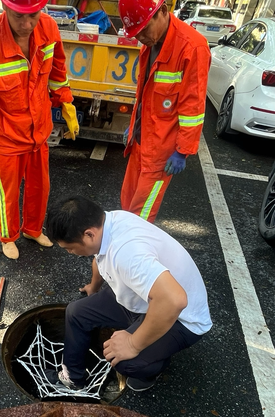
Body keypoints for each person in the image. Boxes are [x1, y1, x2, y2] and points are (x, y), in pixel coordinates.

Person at [46, 195, 212, 392]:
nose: (69, 252)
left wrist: (133, 344)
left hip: (183, 318)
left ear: (89, 234)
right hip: (146, 298)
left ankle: (152, 369)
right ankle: (73, 378)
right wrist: (94, 286)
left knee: (124, 362)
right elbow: (99, 256)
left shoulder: (127, 253)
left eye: (70, 248)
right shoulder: (108, 222)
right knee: (76, 312)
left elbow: (174, 300)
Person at [0, 0, 79, 260]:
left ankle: (33, 229)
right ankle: (8, 236)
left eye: (33, 15)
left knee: (41, 187)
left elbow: (58, 69)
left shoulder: (48, 28)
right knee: (7, 193)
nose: (27, 25)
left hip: (38, 130)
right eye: (18, 17)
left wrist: (66, 101)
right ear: (5, 9)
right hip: (5, 134)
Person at [118, 0, 211, 223]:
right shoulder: (151, 42)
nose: (141, 38)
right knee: (127, 204)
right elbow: (146, 94)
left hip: (160, 152)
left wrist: (183, 151)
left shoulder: (192, 47)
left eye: (144, 30)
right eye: (136, 34)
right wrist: (134, 125)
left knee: (140, 218)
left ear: (163, 11)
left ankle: (132, 255)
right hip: (141, 142)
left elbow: (193, 106)